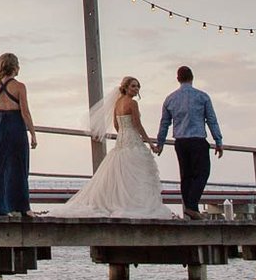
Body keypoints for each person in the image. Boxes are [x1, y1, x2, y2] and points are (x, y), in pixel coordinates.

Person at [50, 74, 174, 219]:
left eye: (138, 86)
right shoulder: (132, 104)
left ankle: (120, 203)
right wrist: (150, 143)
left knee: (122, 174)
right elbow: (138, 125)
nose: (136, 89)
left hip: (121, 140)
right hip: (132, 140)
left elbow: (116, 125)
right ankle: (133, 205)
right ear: (126, 88)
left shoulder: (118, 103)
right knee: (136, 175)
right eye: (133, 86)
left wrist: (123, 133)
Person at [151, 65, 225, 220]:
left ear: (178, 79)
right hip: (198, 140)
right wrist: (218, 140)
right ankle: (191, 206)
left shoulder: (170, 99)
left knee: (186, 175)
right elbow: (212, 120)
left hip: (181, 142)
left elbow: (164, 123)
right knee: (203, 172)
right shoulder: (202, 96)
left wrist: (160, 143)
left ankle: (191, 208)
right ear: (192, 77)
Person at [0, 53, 35, 216]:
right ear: (15, 67)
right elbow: (25, 112)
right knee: (19, 166)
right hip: (16, 125)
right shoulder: (20, 87)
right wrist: (33, 133)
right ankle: (22, 207)